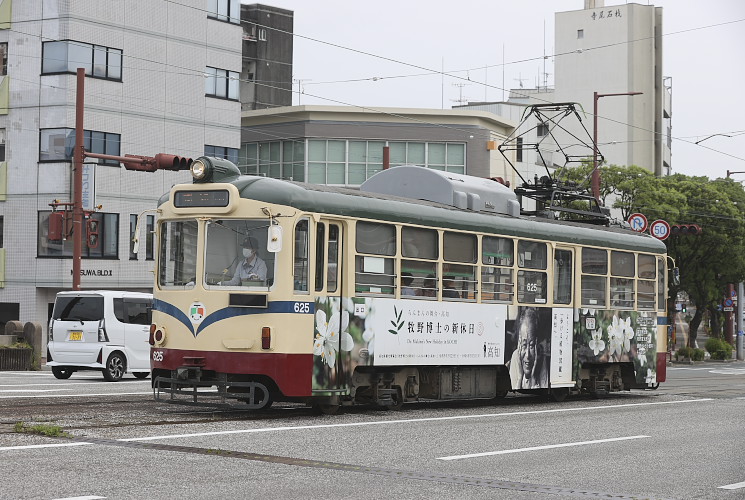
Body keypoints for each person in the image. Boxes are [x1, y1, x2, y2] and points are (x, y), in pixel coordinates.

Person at [508, 307, 549, 389]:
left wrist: (533, 378)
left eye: (531, 345)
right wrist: (520, 377)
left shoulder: (541, 358)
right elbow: (514, 390)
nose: (527, 355)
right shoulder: (516, 356)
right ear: (519, 342)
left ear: (536, 343)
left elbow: (543, 387)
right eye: (523, 345)